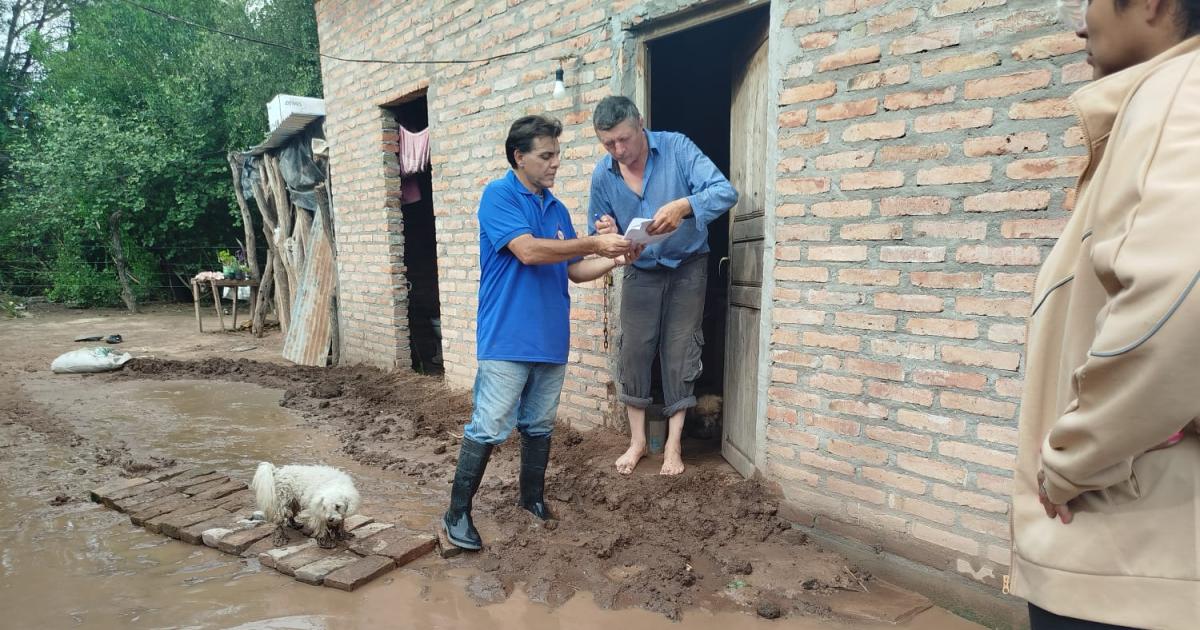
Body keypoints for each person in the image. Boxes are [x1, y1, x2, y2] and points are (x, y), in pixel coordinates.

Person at [1009, 1, 1200, 628]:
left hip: (1129, 549)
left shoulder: (1178, 95)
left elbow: (1178, 299)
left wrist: (1072, 459)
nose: (1078, 22)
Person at [442, 115, 639, 551]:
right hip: (508, 337)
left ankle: (531, 499)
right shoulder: (498, 195)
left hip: (551, 339)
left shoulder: (557, 208)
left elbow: (573, 270)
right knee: (490, 424)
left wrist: (618, 257)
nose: (555, 164)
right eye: (546, 156)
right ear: (519, 157)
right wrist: (593, 242)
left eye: (557, 155)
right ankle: (456, 513)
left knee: (539, 425)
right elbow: (529, 251)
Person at [588, 96, 738, 476]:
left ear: (640, 123)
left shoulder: (677, 147)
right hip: (640, 269)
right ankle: (638, 441)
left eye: (624, 139)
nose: (619, 150)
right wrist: (608, 234)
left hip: (689, 265)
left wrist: (684, 205)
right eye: (609, 144)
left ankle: (673, 445)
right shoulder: (603, 175)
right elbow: (600, 230)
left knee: (680, 349)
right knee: (634, 349)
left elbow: (725, 191)